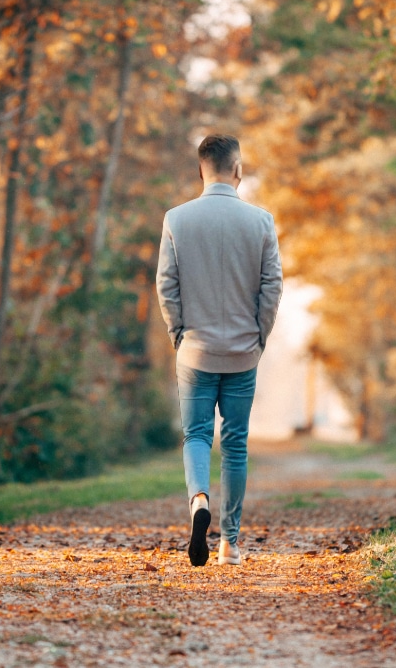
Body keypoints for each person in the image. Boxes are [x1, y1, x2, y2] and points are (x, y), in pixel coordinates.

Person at [155, 134, 283, 567]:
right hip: (243, 352)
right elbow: (272, 287)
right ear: (238, 170)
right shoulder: (261, 221)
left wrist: (179, 333)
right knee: (235, 444)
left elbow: (166, 285)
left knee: (195, 435)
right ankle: (229, 542)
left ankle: (198, 503)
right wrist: (259, 336)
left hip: (195, 351)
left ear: (201, 170)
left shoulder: (177, 219)